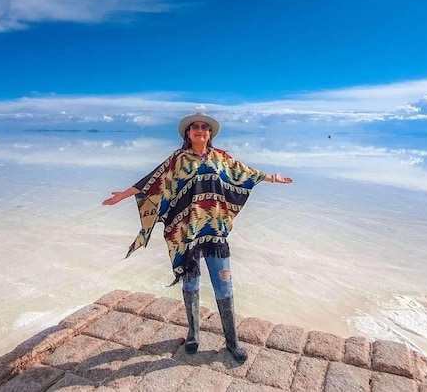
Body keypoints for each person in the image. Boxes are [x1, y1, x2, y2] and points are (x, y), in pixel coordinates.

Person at [102, 112, 293, 363]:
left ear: (210, 134)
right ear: (188, 134)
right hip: (188, 235)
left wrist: (273, 178)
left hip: (215, 234)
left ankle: (232, 341)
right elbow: (152, 180)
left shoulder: (221, 158)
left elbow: (245, 173)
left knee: (223, 285)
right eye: (195, 127)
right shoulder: (178, 159)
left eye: (205, 127)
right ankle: (193, 335)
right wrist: (124, 195)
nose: (200, 130)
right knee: (190, 285)